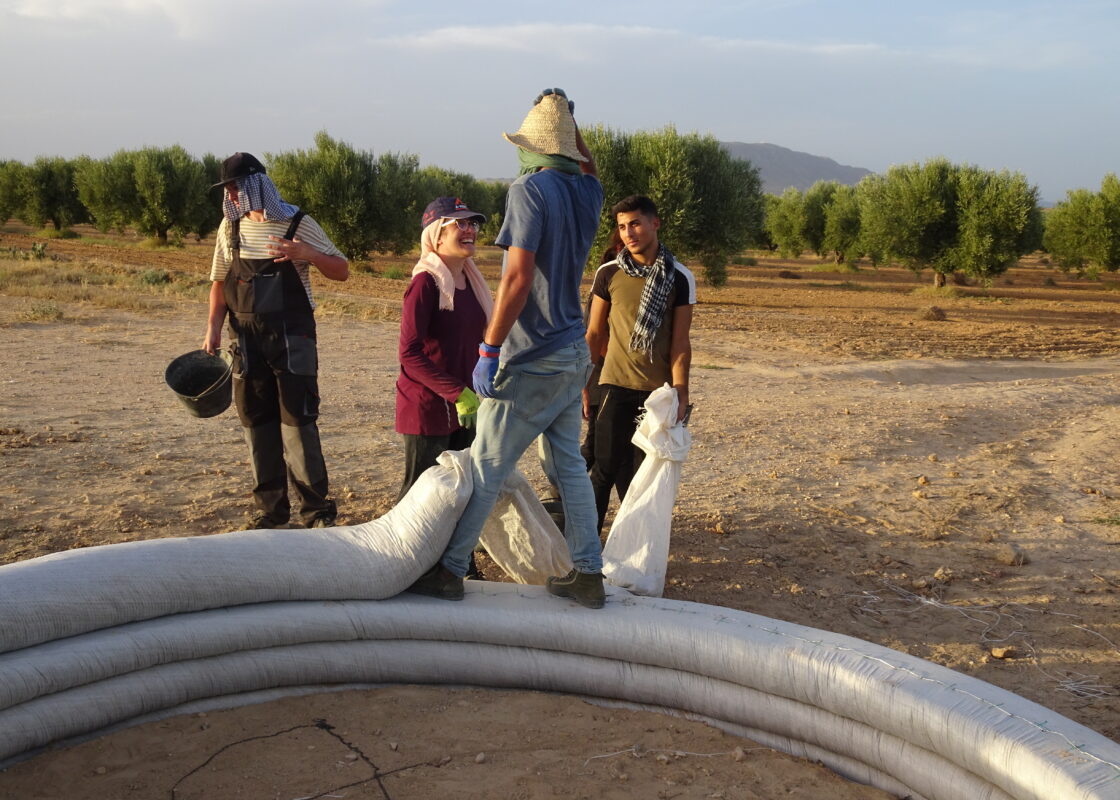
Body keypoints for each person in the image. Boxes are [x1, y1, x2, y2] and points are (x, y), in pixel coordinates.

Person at [407, 88, 607, 608]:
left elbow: (517, 278)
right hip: (573, 353)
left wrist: (490, 348)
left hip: (533, 355)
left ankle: (450, 570)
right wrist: (570, 121)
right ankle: (588, 573)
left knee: (485, 464)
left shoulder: (529, 190)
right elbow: (588, 165)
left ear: (530, 149)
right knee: (568, 467)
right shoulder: (588, 192)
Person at [202, 152, 349, 529]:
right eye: (227, 190)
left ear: (256, 185)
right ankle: (271, 511)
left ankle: (317, 512)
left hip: (292, 338)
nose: (231, 195)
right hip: (245, 341)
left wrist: (308, 254)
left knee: (297, 423)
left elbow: (342, 270)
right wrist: (213, 330)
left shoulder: (297, 222)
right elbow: (219, 282)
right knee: (256, 422)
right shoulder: (229, 229)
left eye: (236, 187)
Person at [585, 194, 695, 534]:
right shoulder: (608, 273)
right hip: (613, 386)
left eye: (634, 223)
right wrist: (584, 386)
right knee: (603, 469)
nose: (628, 233)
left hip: (657, 395)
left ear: (654, 223)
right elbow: (593, 334)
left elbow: (679, 343)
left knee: (642, 476)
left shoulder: (679, 277)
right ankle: (586, 551)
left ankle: (633, 547)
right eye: (621, 226)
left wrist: (681, 393)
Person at [395, 197, 491, 502]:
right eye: (459, 224)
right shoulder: (425, 283)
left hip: (468, 408)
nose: (470, 230)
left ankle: (457, 553)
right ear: (437, 234)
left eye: (472, 223)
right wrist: (456, 393)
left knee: (460, 495)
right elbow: (409, 354)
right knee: (419, 499)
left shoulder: (473, 283)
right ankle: (398, 552)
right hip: (429, 409)